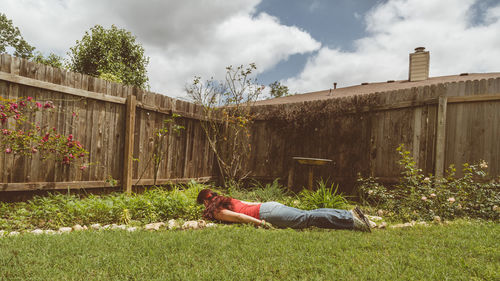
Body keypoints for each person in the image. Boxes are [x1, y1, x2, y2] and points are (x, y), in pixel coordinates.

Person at [196, 189, 375, 231]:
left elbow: (240, 217)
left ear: (205, 202)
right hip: (269, 206)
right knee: (310, 212)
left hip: (267, 213)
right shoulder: (227, 200)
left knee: (308, 217)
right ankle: (348, 215)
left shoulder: (217, 211)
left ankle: (353, 222)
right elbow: (248, 203)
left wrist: (261, 223)